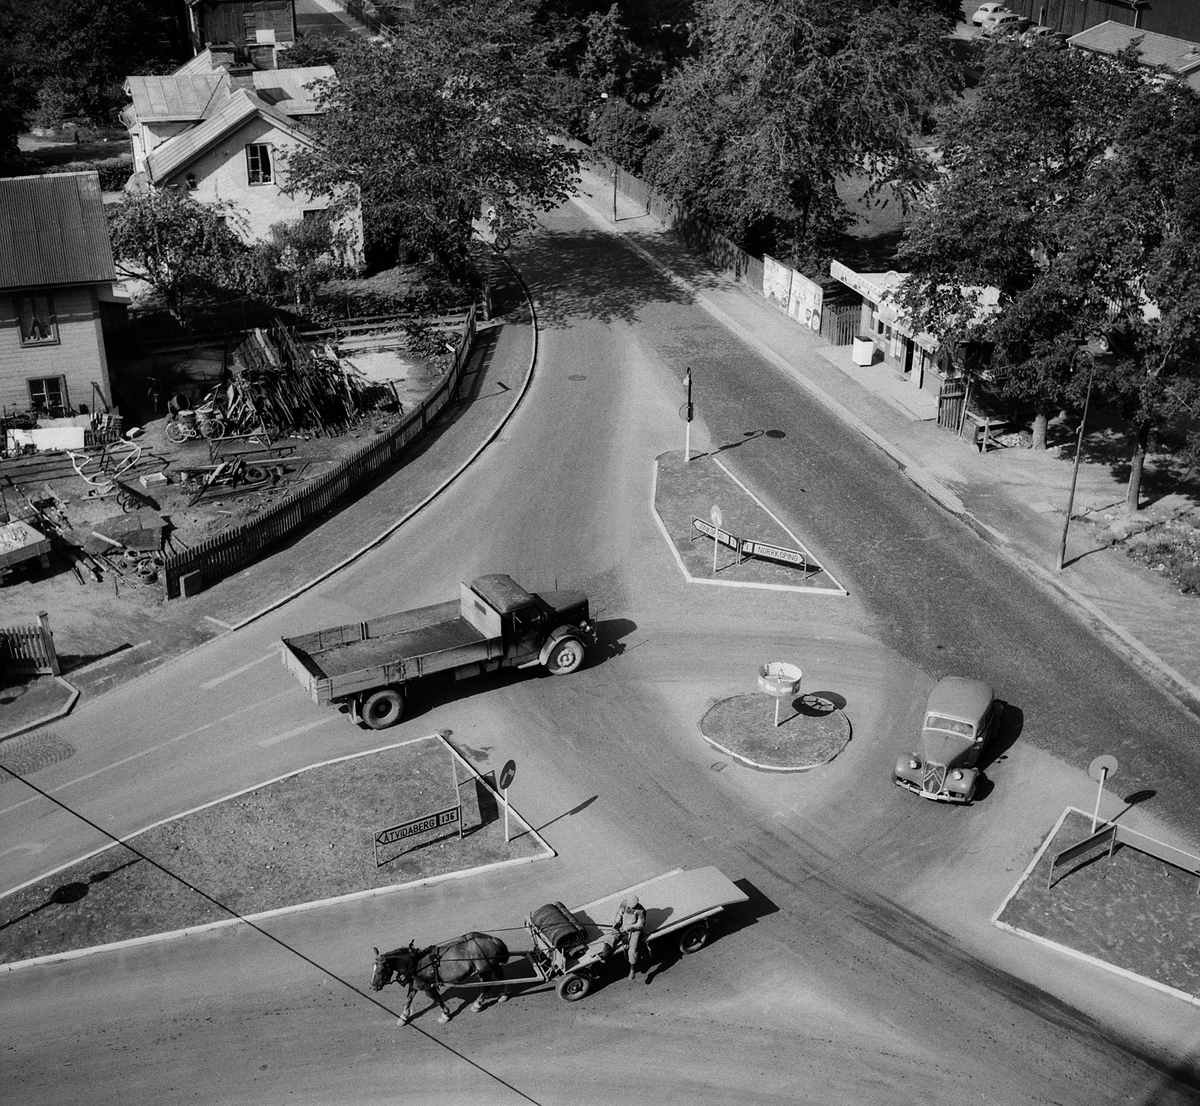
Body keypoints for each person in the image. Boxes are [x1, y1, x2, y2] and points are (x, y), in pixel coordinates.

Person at [613, 895, 646, 981]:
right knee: (613, 936)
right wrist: (617, 921)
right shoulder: (624, 903)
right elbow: (619, 913)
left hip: (634, 930)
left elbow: (640, 925)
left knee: (633, 948)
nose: (630, 909)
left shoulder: (641, 910)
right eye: (629, 907)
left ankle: (632, 969)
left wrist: (630, 927)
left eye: (633, 907)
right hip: (624, 925)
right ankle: (604, 955)